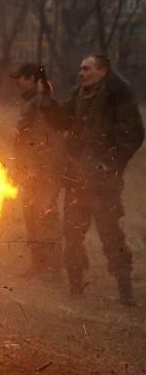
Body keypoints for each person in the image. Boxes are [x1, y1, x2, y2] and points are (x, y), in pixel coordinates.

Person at [44, 55, 143, 306]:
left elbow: (134, 133)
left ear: (103, 70)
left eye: (86, 68)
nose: (80, 73)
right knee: (72, 234)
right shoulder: (81, 93)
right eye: (80, 68)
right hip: (78, 179)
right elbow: (62, 121)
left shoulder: (117, 93)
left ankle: (125, 291)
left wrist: (111, 163)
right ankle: (76, 288)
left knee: (111, 236)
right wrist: (47, 100)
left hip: (103, 184)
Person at [8, 63, 63, 281]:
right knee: (31, 218)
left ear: (32, 78)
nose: (16, 82)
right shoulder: (30, 102)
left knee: (46, 218)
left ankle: (52, 270)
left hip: (45, 172)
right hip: (31, 172)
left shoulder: (44, 103)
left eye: (20, 77)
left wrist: (39, 168)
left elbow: (50, 139)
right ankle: (38, 265)